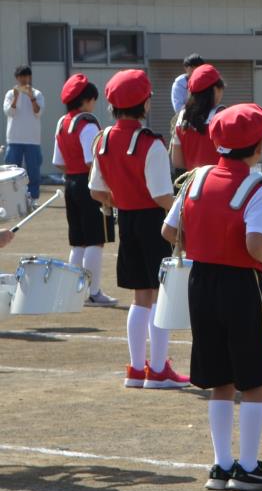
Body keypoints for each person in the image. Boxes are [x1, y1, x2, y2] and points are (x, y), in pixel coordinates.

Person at [161, 103, 262, 491]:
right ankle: (247, 466)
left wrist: (205, 243)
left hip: (202, 282)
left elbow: (169, 232)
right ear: (259, 145)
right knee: (254, 379)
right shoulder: (258, 186)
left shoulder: (196, 178)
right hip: (240, 284)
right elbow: (254, 244)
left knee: (220, 378)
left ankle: (220, 465)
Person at [89, 69, 186, 390]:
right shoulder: (150, 143)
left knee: (138, 296)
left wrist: (120, 200)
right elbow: (161, 195)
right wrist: (182, 214)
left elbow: (96, 191)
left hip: (127, 220)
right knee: (159, 296)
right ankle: (158, 369)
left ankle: (135, 367)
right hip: (153, 222)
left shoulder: (101, 140)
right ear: (144, 104)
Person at [53, 74, 116, 307]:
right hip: (89, 183)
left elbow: (58, 161)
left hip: (70, 181)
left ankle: (74, 291)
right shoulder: (87, 124)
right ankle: (93, 291)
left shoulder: (62, 123)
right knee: (95, 240)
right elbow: (93, 162)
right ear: (86, 100)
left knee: (78, 241)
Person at [170, 64, 225, 171]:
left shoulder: (182, 117)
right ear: (215, 89)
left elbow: (177, 162)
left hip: (192, 184)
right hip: (219, 182)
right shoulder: (222, 116)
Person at [4, 65, 44, 205]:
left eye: (26, 76)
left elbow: (38, 113)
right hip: (14, 138)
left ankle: (33, 198)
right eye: (21, 76)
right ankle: (12, 199)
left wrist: (31, 97)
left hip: (32, 139)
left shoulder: (37, 94)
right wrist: (15, 98)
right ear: (17, 78)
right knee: (11, 171)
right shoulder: (10, 93)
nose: (23, 79)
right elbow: (9, 113)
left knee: (33, 170)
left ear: (29, 77)